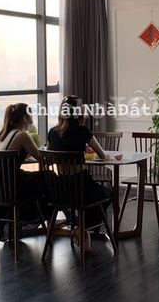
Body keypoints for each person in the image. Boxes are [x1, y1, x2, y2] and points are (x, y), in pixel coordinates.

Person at [46, 95, 112, 248]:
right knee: (107, 194)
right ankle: (82, 229)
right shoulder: (82, 131)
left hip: (60, 189)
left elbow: (49, 158)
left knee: (94, 197)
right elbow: (103, 155)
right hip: (81, 185)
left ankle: (81, 229)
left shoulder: (52, 132)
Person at [0, 103, 44, 242]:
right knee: (49, 178)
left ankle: (31, 223)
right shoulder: (22, 135)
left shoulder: (2, 136)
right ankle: (49, 219)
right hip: (14, 187)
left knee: (41, 179)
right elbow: (41, 158)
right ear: (24, 118)